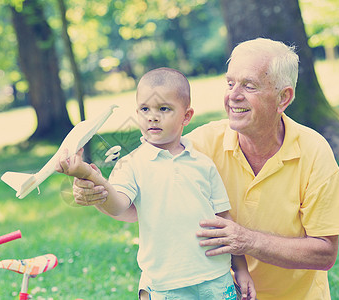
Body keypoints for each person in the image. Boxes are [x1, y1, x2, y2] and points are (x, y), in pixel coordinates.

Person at [72, 38, 339, 300]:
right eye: (230, 83)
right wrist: (97, 191)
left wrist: (246, 240)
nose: (233, 96)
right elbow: (135, 205)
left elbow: (325, 253)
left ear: (283, 98)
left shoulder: (313, 152)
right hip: (217, 289)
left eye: (249, 86)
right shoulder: (197, 146)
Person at [57, 67, 256, 300]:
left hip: (215, 279)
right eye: (145, 109)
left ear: (186, 116)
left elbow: (224, 220)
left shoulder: (203, 163)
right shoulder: (131, 164)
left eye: (164, 109)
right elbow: (118, 205)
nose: (152, 116)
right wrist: (89, 176)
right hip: (165, 286)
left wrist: (241, 270)